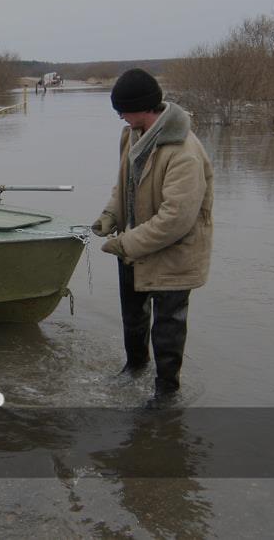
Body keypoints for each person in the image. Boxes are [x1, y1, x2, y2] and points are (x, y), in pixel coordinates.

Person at [92, 68, 213, 407]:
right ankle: (134, 368)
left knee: (168, 325)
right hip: (135, 244)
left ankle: (166, 393)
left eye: (123, 110)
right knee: (133, 314)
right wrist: (111, 216)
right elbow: (124, 184)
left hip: (174, 252)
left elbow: (177, 218)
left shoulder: (184, 151)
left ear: (144, 107)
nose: (120, 117)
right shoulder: (132, 134)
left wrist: (125, 243)